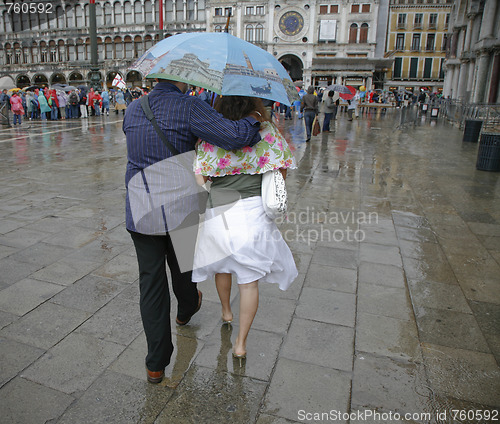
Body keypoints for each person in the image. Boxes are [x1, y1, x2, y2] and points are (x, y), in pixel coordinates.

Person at [123, 79, 263, 384]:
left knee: (151, 282)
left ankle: (155, 364)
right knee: (182, 266)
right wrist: (255, 117)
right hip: (179, 208)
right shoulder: (188, 106)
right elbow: (235, 136)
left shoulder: (133, 108)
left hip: (140, 205)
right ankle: (186, 308)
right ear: (182, 78)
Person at [192, 95, 298, 365]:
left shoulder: (213, 132)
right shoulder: (266, 130)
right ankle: (240, 345)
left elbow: (202, 175)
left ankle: (226, 312)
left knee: (223, 267)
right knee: (249, 281)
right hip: (252, 214)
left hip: (219, 213)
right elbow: (282, 171)